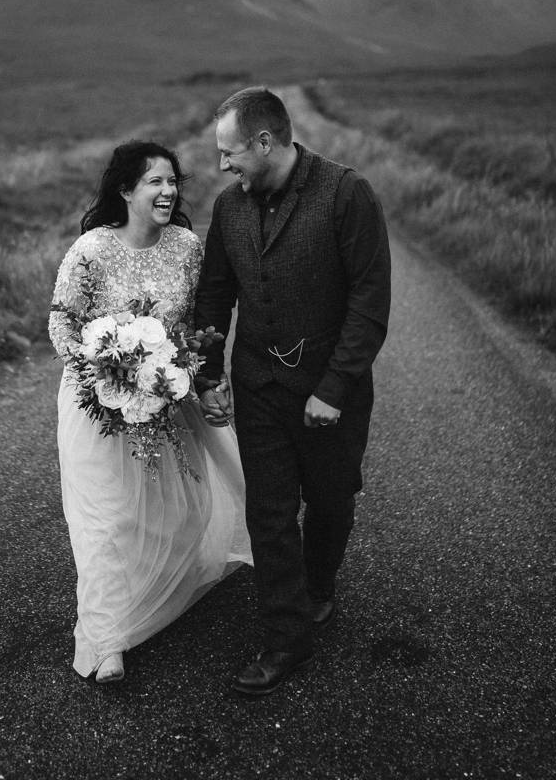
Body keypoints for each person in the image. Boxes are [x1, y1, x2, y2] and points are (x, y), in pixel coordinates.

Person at [193, 86, 391, 697]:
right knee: (270, 511)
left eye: (231, 154)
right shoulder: (229, 208)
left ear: (265, 142)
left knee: (331, 500)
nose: (223, 166)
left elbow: (369, 303)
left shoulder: (345, 193)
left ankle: (320, 583)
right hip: (259, 385)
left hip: (331, 391)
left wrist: (332, 388)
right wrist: (207, 374)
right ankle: (287, 637)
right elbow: (215, 295)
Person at [48, 140, 251, 685]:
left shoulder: (186, 247)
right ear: (125, 190)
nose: (168, 191)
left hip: (167, 397)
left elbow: (200, 320)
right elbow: (62, 323)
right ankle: (105, 638)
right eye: (155, 182)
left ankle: (165, 587)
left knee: (177, 506)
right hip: (98, 405)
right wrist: (102, 370)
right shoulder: (91, 250)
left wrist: (200, 379)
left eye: (172, 181)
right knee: (108, 518)